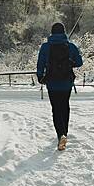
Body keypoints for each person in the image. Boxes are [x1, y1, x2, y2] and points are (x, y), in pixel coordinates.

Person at [36, 22, 83, 151]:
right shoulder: (70, 46)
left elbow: (40, 63)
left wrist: (40, 76)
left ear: (52, 32)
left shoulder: (45, 47)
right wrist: (69, 62)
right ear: (63, 32)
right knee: (65, 106)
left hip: (52, 82)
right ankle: (65, 133)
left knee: (56, 108)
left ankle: (60, 134)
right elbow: (79, 62)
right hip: (66, 82)